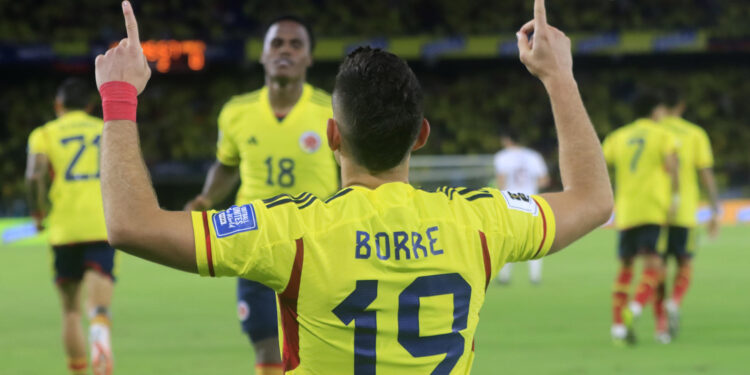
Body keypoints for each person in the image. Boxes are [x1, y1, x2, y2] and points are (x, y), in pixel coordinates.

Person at [95, 0, 612, 372]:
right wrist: (557, 76)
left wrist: (119, 96)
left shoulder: (291, 229)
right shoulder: (480, 220)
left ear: (332, 135)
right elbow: (592, 201)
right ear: (422, 136)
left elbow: (130, 225)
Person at [184, 15, 338, 374]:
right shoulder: (236, 112)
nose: (285, 50)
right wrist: (206, 199)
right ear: (263, 55)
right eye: (277, 43)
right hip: (254, 239)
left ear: (309, 58)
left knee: (318, 343)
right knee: (265, 340)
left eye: (295, 44)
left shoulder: (331, 110)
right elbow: (226, 165)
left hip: (316, 241)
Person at [25, 77, 115, 375]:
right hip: (103, 225)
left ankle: (78, 371)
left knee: (71, 311)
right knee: (98, 308)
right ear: (90, 106)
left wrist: (38, 212)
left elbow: (34, 176)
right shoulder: (105, 128)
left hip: (64, 229)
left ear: (58, 105)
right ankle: (101, 340)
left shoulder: (44, 134)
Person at [602, 90, 679, 346]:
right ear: (656, 111)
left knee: (625, 267)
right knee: (656, 267)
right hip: (652, 209)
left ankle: (617, 327)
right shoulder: (663, 134)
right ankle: (636, 308)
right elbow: (672, 166)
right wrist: (675, 197)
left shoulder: (617, 137)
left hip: (625, 210)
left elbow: (600, 165)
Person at [653, 88, 720, 342]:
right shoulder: (695, 134)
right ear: (681, 105)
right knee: (685, 264)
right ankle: (675, 301)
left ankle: (660, 328)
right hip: (684, 213)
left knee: (656, 269)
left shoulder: (652, 132)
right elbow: (706, 173)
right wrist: (715, 209)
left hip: (656, 213)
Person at [493, 130, 550, 285]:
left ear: (506, 140)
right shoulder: (533, 156)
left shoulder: (502, 156)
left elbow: (501, 182)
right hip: (531, 202)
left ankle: (504, 277)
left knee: (509, 240)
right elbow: (544, 181)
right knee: (535, 239)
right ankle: (535, 277)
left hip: (510, 203)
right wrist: (530, 186)